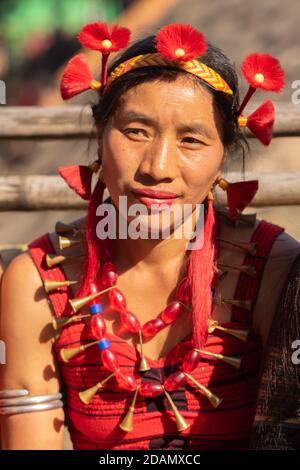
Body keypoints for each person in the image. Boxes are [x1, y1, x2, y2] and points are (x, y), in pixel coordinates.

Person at [0, 22, 299, 450]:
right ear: (99, 138)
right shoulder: (38, 283)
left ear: (222, 162)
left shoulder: (272, 271)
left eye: (192, 140)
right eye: (136, 131)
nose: (157, 167)